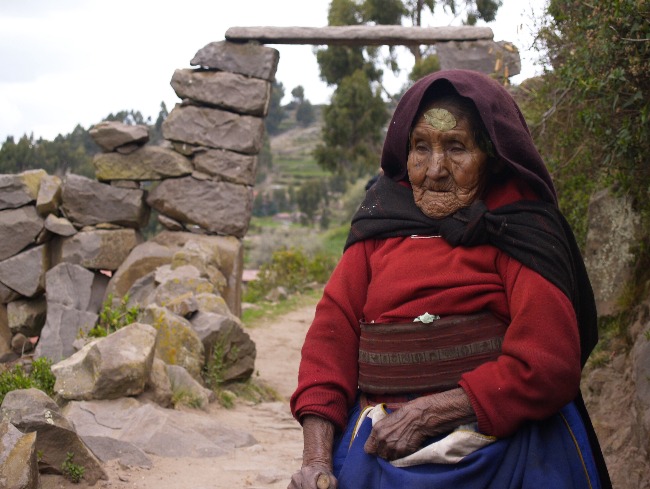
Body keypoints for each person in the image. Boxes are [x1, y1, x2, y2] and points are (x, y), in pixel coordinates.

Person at [288, 69, 611, 489]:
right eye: (421, 148)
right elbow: (329, 344)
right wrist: (315, 457)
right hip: (381, 443)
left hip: (505, 445)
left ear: (492, 157)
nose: (436, 169)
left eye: (456, 148)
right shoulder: (380, 221)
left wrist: (432, 412)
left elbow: (548, 363)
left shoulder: (519, 227)